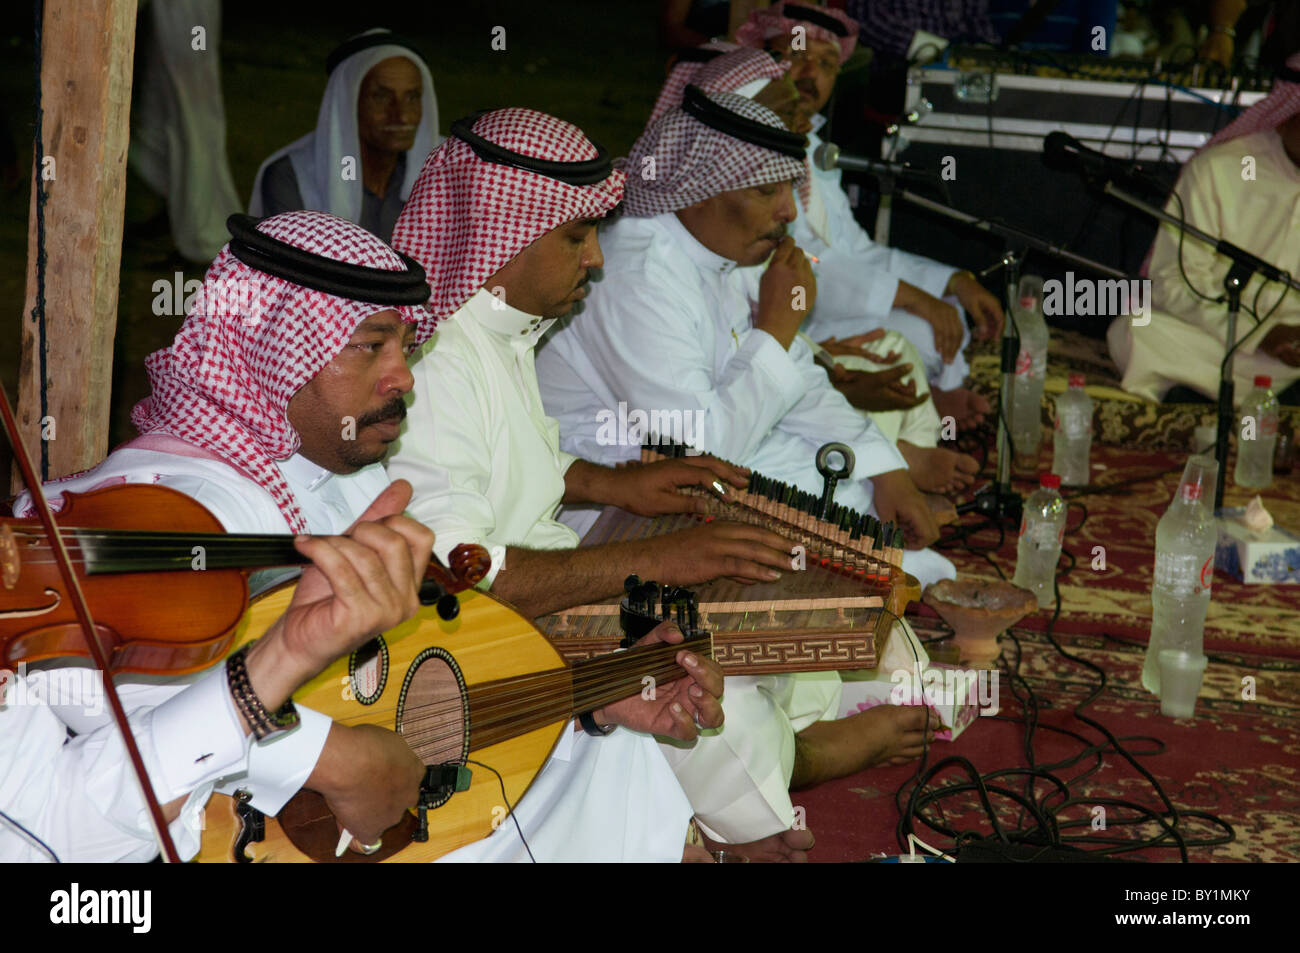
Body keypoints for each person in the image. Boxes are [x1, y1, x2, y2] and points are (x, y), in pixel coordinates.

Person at [9, 210, 722, 863]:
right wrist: (325, 755)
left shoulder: (341, 479)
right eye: (369, 347)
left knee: (611, 758)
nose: (404, 377)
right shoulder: (183, 504)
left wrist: (591, 696)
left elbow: (412, 678)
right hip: (222, 840)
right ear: (268, 350)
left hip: (348, 821)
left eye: (407, 344)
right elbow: (110, 717)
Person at [386, 107, 847, 860]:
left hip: (539, 583)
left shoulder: (497, 328)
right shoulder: (436, 365)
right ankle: (739, 835)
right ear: (507, 236)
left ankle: (729, 831)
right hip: (470, 646)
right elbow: (456, 577)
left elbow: (509, 464)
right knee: (713, 686)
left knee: (731, 672)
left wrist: (614, 483)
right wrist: (659, 561)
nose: (596, 260)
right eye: (576, 236)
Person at [534, 87, 942, 853]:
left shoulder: (722, 252)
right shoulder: (637, 270)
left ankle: (784, 743)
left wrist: (887, 469)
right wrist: (781, 329)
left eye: (790, 188)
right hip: (606, 524)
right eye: (766, 191)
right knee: (719, 681)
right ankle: (800, 762)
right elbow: (697, 443)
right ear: (700, 188)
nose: (789, 211)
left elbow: (799, 380)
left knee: (908, 673)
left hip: (700, 505)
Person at [652, 45, 978, 494]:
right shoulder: (655, 264)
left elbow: (851, 255)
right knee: (840, 478)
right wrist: (795, 339)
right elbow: (699, 449)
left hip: (772, 373)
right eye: (786, 110)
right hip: (685, 461)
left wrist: (821, 361)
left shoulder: (773, 190)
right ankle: (899, 458)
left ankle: (897, 460)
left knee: (885, 368)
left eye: (827, 64)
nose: (786, 210)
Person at [735, 2, 1005, 430]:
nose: (811, 74)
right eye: (797, 56)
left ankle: (927, 410)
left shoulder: (810, 147)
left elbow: (855, 249)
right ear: (764, 62)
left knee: (946, 315)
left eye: (826, 63)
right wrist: (918, 298)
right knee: (916, 338)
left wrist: (949, 281)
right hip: (766, 321)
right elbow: (806, 261)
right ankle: (926, 414)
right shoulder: (744, 147)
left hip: (821, 308)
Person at [1107, 52, 1300, 404]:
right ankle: (1251, 397)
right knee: (1138, 329)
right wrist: (1261, 334)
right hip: (1221, 340)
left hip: (1291, 362)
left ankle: (1210, 394)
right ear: (1289, 112)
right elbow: (1172, 283)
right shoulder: (1224, 169)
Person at [249, 29, 440, 242]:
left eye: (412, 97)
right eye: (382, 97)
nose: (403, 116)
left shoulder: (452, 170)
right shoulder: (292, 177)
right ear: (346, 104)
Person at [129, 0, 243, 263]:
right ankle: (176, 210)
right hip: (169, 9)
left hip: (186, 10)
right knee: (159, 108)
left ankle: (203, 234)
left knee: (191, 116)